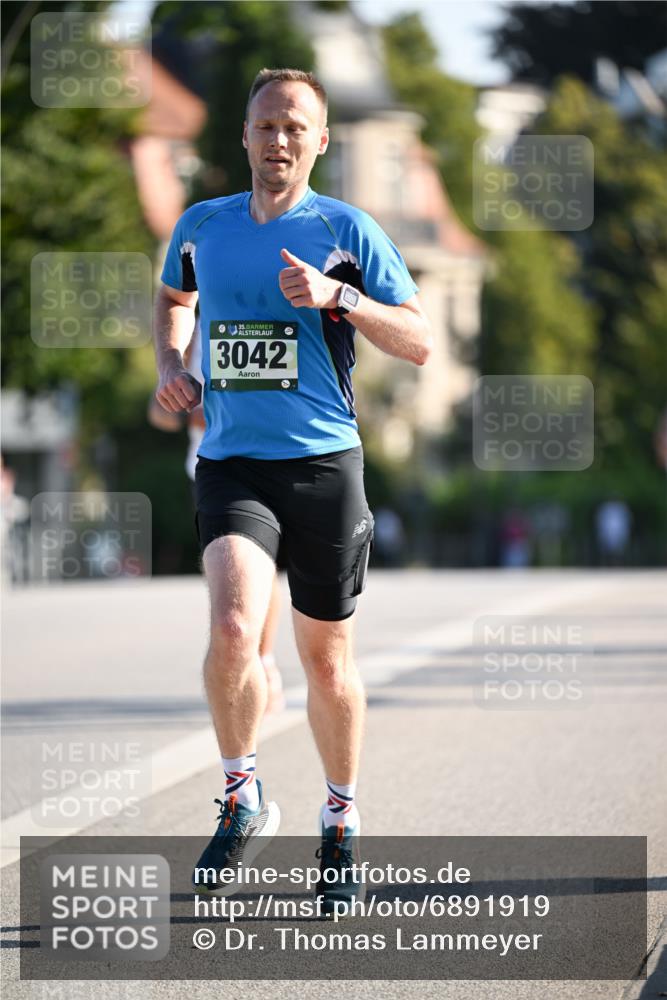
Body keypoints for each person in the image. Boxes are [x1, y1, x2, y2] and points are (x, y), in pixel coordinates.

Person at [153, 67, 432, 915]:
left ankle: (339, 821)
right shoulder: (202, 226)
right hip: (233, 462)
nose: (278, 140)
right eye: (265, 125)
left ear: (318, 143)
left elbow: (418, 340)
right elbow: (175, 298)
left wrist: (340, 298)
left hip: (322, 468)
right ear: (243, 136)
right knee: (235, 628)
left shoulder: (346, 229)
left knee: (325, 661)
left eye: (294, 128)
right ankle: (241, 796)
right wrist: (173, 366)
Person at [149, 328, 285, 713]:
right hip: (208, 470)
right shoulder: (189, 335)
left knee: (260, 566)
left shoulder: (253, 324)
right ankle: (249, 663)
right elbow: (159, 415)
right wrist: (179, 399)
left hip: (261, 462)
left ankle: (264, 658)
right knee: (238, 570)